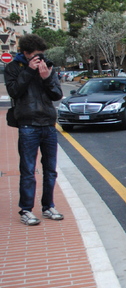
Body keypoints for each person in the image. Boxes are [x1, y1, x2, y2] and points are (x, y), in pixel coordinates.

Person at [5, 34, 64, 226]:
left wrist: (46, 78)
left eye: (42, 55)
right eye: (36, 56)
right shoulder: (13, 68)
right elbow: (14, 92)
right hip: (28, 126)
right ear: (26, 53)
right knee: (28, 170)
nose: (40, 59)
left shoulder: (47, 68)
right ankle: (26, 210)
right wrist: (29, 72)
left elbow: (57, 95)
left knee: (50, 170)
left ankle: (48, 206)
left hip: (48, 124)